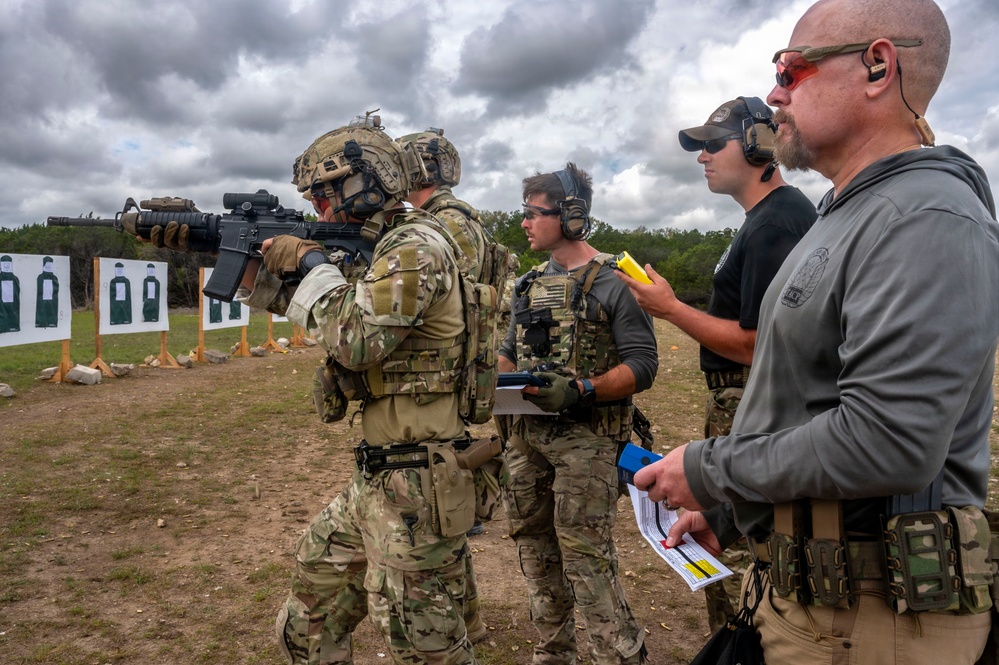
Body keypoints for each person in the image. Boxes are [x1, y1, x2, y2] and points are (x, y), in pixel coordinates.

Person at [634, 0, 999, 663]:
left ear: (877, 66)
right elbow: (804, 401)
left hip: (868, 624)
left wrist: (711, 470)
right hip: (815, 605)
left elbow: (888, 441)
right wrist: (727, 514)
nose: (774, 93)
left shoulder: (925, 216)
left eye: (791, 67)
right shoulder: (846, 215)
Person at [238, 124, 484, 664]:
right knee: (312, 600)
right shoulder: (386, 249)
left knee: (425, 646)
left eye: (324, 195)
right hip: (379, 474)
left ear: (366, 184)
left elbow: (356, 338)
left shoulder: (415, 247)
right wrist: (242, 260)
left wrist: (309, 263)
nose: (319, 210)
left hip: (418, 482)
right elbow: (332, 315)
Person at [616, 95, 817, 632]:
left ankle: (747, 636)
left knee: (754, 542)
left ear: (760, 145)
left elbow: (757, 344)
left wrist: (671, 308)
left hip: (751, 397)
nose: (702, 157)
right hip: (742, 398)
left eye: (712, 144)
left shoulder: (777, 223)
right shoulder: (766, 219)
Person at [497, 163, 659, 664]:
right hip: (526, 440)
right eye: (523, 212)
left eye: (533, 213)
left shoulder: (616, 281)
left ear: (571, 216)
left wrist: (582, 389)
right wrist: (500, 384)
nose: (524, 222)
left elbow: (644, 364)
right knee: (535, 549)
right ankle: (554, 652)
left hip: (589, 443)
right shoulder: (524, 286)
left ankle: (619, 654)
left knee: (586, 554)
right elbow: (508, 353)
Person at [395, 126, 503, 643]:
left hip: (439, 381)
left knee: (434, 519)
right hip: (462, 376)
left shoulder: (439, 227)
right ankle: (471, 622)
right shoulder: (466, 221)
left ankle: (450, 631)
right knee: (448, 513)